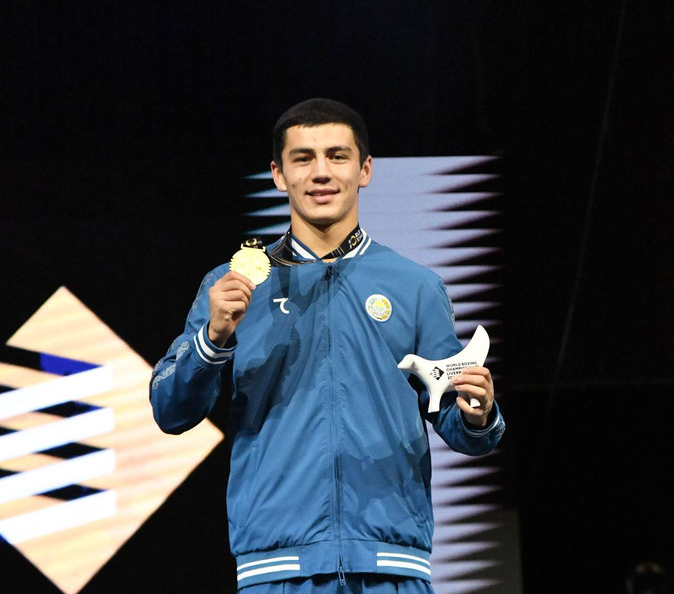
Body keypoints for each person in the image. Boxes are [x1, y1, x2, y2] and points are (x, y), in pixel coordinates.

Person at [150, 98, 505, 593]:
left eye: (337, 156)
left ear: (365, 170)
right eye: (303, 158)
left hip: (390, 562)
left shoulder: (416, 286)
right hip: (277, 565)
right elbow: (170, 411)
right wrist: (212, 340)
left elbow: (461, 422)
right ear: (279, 175)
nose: (321, 172)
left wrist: (478, 414)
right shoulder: (232, 285)